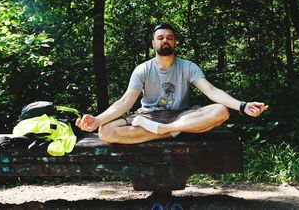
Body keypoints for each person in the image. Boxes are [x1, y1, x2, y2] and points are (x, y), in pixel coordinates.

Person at [76, 23, 268, 144]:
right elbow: (126, 101)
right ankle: (175, 133)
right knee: (106, 132)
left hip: (180, 116)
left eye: (169, 37)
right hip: (149, 117)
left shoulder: (188, 67)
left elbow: (211, 91)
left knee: (221, 111)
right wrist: (98, 120)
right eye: (160, 38)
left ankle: (168, 130)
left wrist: (241, 106)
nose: (165, 40)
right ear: (153, 43)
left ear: (175, 42)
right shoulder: (142, 69)